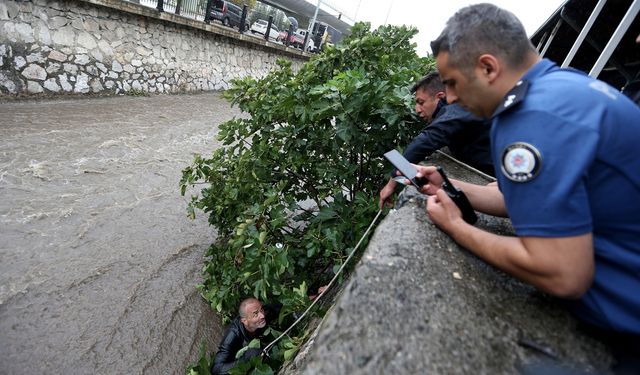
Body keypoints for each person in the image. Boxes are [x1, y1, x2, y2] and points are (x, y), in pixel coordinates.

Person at [417, 4, 640, 373]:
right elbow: (519, 199)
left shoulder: (530, 119)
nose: (451, 99)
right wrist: (451, 184)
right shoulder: (561, 87)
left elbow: (562, 273)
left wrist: (458, 227)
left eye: (452, 83)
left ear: (488, 67)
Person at [378, 72, 493, 209]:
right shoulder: (468, 107)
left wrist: (391, 184)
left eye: (421, 102)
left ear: (440, 97)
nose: (417, 110)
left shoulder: (457, 110)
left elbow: (423, 143)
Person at [211, 298, 281, 375]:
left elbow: (280, 306)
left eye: (261, 310)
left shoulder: (265, 313)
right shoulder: (233, 335)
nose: (262, 316)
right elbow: (216, 369)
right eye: (255, 314)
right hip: (239, 362)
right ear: (244, 321)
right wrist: (245, 359)